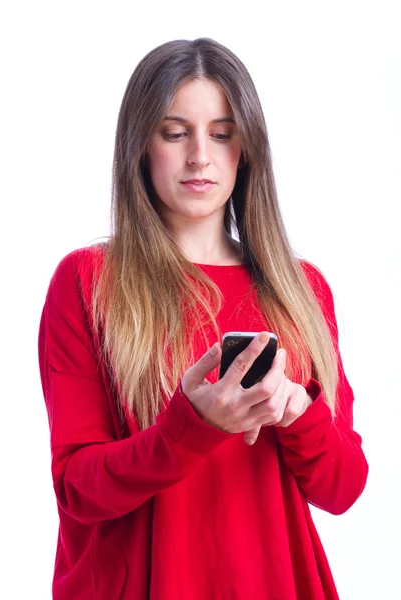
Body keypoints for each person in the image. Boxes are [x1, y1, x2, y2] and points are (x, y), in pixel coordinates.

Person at [38, 37, 368, 600]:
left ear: (247, 149)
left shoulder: (302, 289)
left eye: (221, 134)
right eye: (175, 133)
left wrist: (297, 411)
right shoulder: (87, 282)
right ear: (140, 145)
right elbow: (78, 489)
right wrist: (189, 427)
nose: (200, 156)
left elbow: (341, 488)